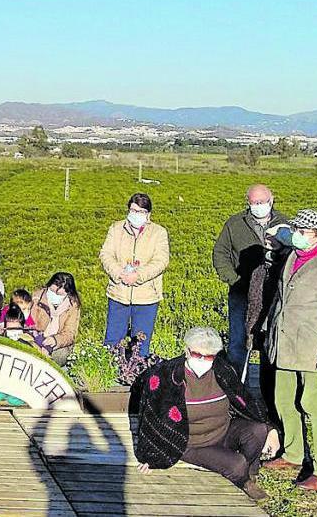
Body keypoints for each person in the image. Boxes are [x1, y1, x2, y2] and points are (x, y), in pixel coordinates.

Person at [262, 209, 317, 492]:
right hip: (285, 345)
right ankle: (293, 454)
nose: (297, 236)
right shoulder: (293, 257)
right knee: (284, 401)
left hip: (314, 350)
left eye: (304, 232)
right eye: (297, 230)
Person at [134, 327, 279, 501]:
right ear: (187, 351)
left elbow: (245, 401)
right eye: (197, 355)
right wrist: (152, 457)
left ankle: (250, 471)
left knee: (259, 430)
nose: (203, 360)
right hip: (191, 442)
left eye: (209, 356)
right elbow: (153, 417)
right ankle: (244, 479)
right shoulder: (167, 375)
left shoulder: (223, 370)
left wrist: (271, 429)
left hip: (222, 431)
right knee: (236, 463)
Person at [212, 184, 292, 374]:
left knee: (269, 339)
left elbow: (294, 253)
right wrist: (234, 280)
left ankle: (269, 386)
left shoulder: (285, 223)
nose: (258, 205)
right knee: (238, 341)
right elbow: (220, 253)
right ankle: (237, 386)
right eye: (254, 202)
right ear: (248, 203)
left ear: (271, 200)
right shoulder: (234, 224)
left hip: (274, 294)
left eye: (262, 202)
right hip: (241, 293)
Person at [99, 192, 169, 357]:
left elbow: (161, 261)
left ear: (148, 214)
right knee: (112, 341)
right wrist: (119, 273)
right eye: (133, 210)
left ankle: (136, 375)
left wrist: (138, 275)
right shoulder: (116, 229)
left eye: (141, 212)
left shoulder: (158, 232)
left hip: (146, 296)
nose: (136, 214)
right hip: (118, 293)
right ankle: (109, 374)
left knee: (140, 344)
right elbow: (105, 254)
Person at [38, 272, 81, 366]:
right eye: (52, 292)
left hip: (56, 342)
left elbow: (70, 333)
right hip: (36, 337)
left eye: (59, 295)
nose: (54, 296)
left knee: (60, 356)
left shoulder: (72, 306)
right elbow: (29, 323)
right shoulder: (37, 297)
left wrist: (55, 340)